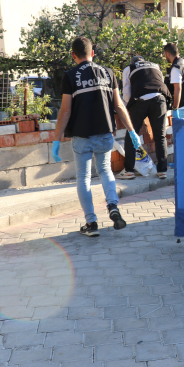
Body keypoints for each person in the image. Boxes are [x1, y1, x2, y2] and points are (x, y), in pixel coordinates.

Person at [52, 37, 143, 237]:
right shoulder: (108, 72)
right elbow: (119, 106)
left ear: (73, 55)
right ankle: (112, 206)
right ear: (92, 53)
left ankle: (91, 223)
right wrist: (132, 131)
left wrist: (56, 139)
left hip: (81, 136)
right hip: (105, 133)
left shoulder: (70, 76)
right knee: (105, 171)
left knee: (83, 177)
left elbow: (65, 110)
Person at [116, 55, 173, 180]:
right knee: (160, 136)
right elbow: (159, 82)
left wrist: (128, 107)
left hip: (140, 100)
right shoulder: (155, 66)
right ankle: (162, 170)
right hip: (160, 99)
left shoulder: (129, 68)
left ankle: (129, 171)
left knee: (131, 134)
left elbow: (126, 93)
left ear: (132, 62)